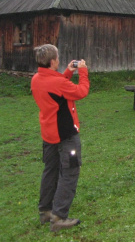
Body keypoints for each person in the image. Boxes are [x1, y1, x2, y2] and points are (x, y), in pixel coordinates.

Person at [31, 44, 90, 232]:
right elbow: (81, 91)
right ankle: (59, 217)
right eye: (57, 57)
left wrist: (67, 72)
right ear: (53, 61)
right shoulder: (57, 83)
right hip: (65, 134)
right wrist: (83, 72)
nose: (58, 59)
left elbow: (56, 89)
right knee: (70, 172)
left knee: (50, 170)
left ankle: (46, 211)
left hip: (48, 133)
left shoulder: (37, 78)